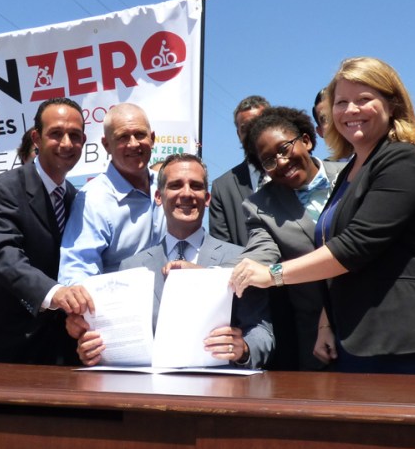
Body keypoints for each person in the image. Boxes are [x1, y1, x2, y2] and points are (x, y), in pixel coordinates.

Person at [230, 57, 415, 375]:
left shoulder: (404, 161)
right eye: (341, 102)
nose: (351, 111)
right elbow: (337, 260)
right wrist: (326, 323)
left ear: (391, 103)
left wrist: (273, 274)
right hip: (354, 343)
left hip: (410, 344)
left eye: (364, 99)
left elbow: (355, 246)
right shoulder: (350, 172)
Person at [74, 153, 273, 368]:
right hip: (150, 393)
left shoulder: (240, 260)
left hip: (218, 389)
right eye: (176, 185)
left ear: (207, 199)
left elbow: (262, 332)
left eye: (196, 186)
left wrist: (243, 348)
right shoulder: (131, 268)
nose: (186, 194)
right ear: (158, 197)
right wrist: (96, 352)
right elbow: (117, 340)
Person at [0, 98, 94, 364]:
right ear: (37, 138)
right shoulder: (3, 189)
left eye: (75, 136)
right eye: (56, 133)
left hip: (53, 354)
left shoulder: (76, 198)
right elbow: (2, 256)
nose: (66, 143)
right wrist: (56, 293)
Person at [237, 106, 346, 370]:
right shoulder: (260, 206)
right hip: (315, 347)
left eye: (284, 149)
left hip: (372, 325)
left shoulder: (352, 176)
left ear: (306, 140)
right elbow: (258, 257)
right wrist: (205, 272)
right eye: (269, 161)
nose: (281, 162)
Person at [58, 103, 165, 284]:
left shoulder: (170, 186)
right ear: (106, 145)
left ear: (152, 138)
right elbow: (76, 272)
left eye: (140, 134)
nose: (133, 144)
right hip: (121, 308)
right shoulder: (92, 199)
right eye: (123, 137)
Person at [209, 95, 270, 246]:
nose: (253, 133)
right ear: (238, 134)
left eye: (259, 124)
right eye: (245, 128)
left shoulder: (293, 173)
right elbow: (221, 248)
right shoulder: (222, 188)